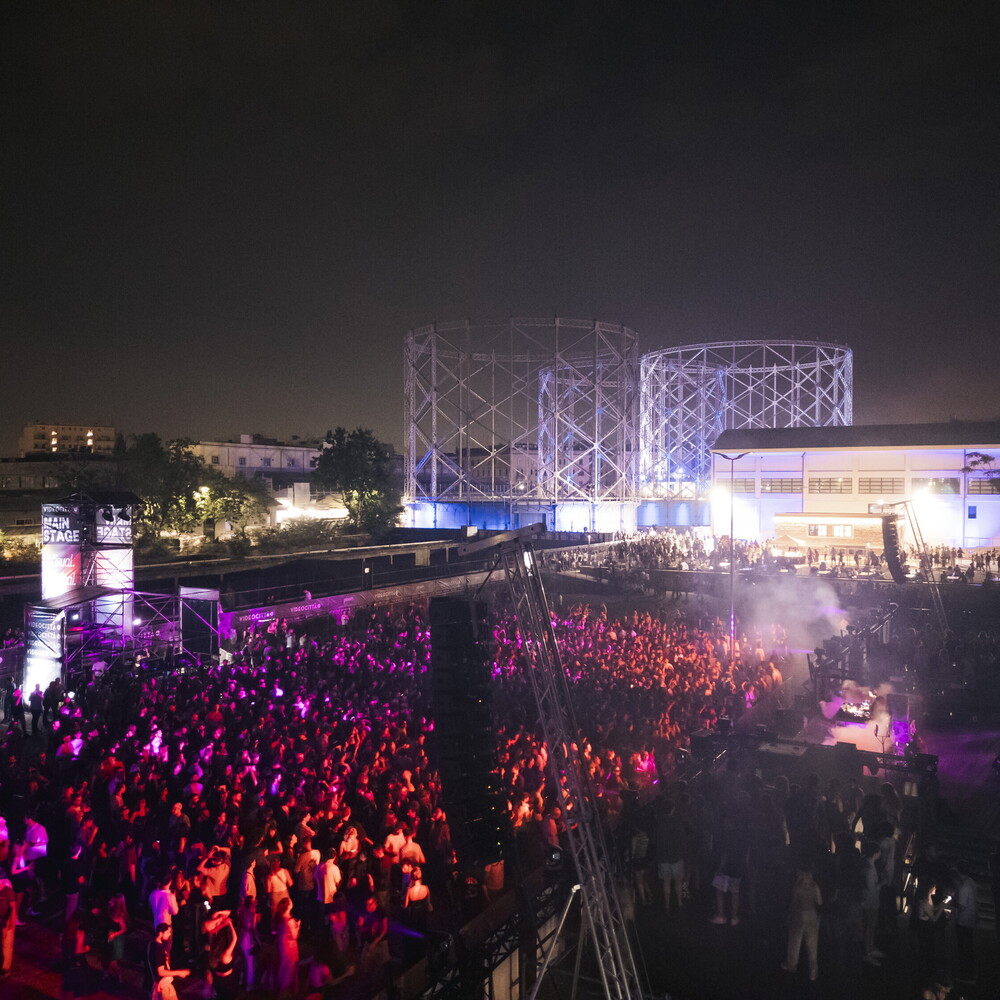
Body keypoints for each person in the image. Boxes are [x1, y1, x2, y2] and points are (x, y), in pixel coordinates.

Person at [781, 862, 822, 981]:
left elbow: (793, 904)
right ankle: (813, 972)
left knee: (794, 942)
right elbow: (820, 902)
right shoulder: (815, 886)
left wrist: (789, 916)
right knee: (813, 946)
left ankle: (791, 965)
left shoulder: (797, 887)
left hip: (799, 915)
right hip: (812, 915)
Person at [148, 922, 191, 1000]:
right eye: (167, 932)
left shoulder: (153, 944)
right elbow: (161, 972)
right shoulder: (158, 949)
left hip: (161, 984)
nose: (169, 934)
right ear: (161, 933)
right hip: (164, 986)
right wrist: (180, 972)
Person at [274, 896, 300, 996]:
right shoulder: (289, 921)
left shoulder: (279, 917)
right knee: (290, 966)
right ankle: (286, 990)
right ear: (289, 906)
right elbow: (294, 936)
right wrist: (297, 926)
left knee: (283, 964)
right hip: (290, 947)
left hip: (281, 944)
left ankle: (281, 985)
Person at [104, 893, 128, 983]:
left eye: (112, 901)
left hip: (116, 943)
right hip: (111, 941)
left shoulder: (119, 916)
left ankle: (119, 979)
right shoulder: (112, 911)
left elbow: (124, 929)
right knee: (109, 961)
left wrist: (114, 934)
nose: (109, 901)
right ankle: (111, 977)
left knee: (112, 963)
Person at [0, 871, 15, 977]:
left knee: (7, 945)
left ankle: (6, 968)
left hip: (6, 922)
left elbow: (13, 908)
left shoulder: (8, 891)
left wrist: (11, 923)